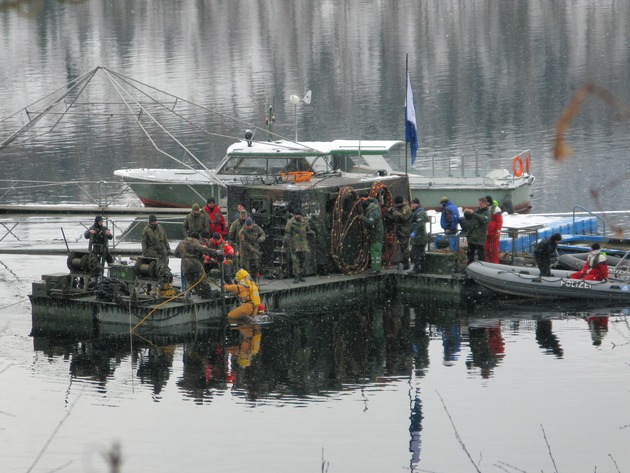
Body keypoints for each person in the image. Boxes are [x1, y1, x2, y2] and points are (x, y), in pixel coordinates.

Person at [173, 231, 217, 298]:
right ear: (196, 238)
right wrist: (215, 252)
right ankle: (207, 294)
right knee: (202, 278)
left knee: (190, 281)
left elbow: (175, 254)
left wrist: (184, 256)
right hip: (194, 263)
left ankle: (187, 295)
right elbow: (203, 250)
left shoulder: (181, 242)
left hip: (184, 264)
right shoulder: (194, 243)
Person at [283, 208, 315, 283]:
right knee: (295, 260)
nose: (297, 216)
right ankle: (296, 275)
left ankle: (301, 274)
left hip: (303, 244)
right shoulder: (291, 222)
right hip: (294, 244)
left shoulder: (305, 221)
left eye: (298, 215)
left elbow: (308, 230)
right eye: (295, 215)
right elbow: (287, 232)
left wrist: (311, 233)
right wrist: (287, 239)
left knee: (302, 260)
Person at [459, 196, 491, 264]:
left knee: (481, 254)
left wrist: (473, 213)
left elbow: (483, 219)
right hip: (472, 235)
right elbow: (469, 217)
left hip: (480, 236)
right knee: (470, 253)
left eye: (480, 204)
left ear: (484, 204)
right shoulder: (477, 210)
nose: (479, 205)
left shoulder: (487, 213)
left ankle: (482, 267)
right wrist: (466, 213)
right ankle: (470, 266)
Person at [387, 195, 413, 270]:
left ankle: (406, 263)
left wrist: (399, 214)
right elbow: (397, 220)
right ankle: (404, 261)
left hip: (405, 231)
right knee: (402, 247)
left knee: (405, 247)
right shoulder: (401, 208)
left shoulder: (406, 208)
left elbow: (404, 218)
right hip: (401, 230)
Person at [362, 197, 384, 273]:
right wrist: (368, 198)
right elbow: (376, 200)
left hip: (376, 235)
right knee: (375, 251)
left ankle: (376, 268)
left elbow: (371, 222)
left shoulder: (372, 212)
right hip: (379, 234)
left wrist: (363, 218)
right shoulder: (377, 206)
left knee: (375, 252)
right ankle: (375, 267)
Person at [409, 197, 429, 274]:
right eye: (411, 204)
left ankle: (417, 268)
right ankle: (421, 268)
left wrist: (414, 231)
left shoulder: (420, 213)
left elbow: (420, 224)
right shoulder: (416, 212)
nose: (412, 205)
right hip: (418, 237)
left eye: (413, 204)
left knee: (416, 253)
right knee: (419, 253)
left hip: (419, 237)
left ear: (417, 204)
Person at [484, 195, 503, 264]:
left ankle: (495, 262)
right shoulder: (485, 209)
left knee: (494, 249)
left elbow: (499, 221)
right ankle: (488, 261)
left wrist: (498, 231)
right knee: (486, 248)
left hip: (494, 232)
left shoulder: (496, 209)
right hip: (487, 232)